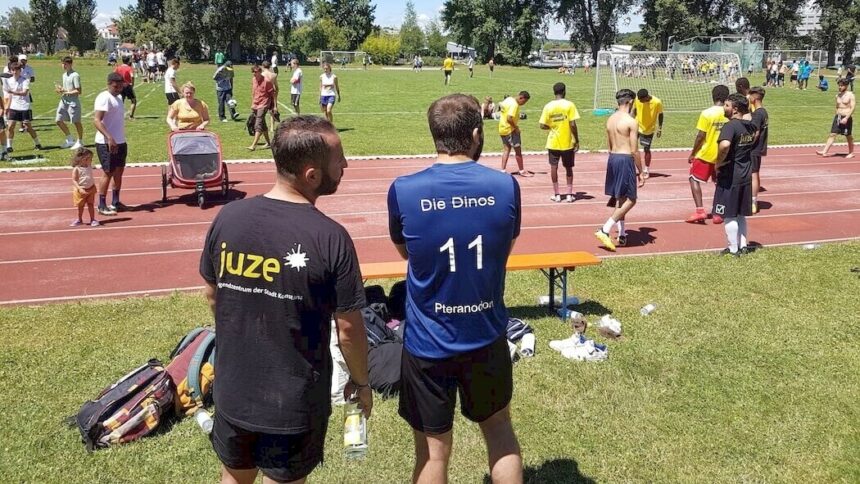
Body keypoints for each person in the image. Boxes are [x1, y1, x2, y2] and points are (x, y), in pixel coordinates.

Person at [200, 115, 371, 484]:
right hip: (292, 404)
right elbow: (348, 330)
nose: (345, 166)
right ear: (312, 175)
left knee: (233, 476)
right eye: (339, 159)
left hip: (233, 391)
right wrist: (362, 382)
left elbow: (213, 296)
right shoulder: (331, 237)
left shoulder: (228, 218)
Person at [387, 93, 523, 484]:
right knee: (499, 432)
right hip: (486, 333)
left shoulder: (404, 189)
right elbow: (503, 251)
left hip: (428, 341)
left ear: (434, 136)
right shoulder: (505, 186)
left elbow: (407, 254)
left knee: (432, 453)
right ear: (477, 134)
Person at [594, 89, 645, 251]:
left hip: (613, 158)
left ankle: (622, 233)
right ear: (630, 102)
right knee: (631, 199)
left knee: (621, 199)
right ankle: (605, 229)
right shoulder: (631, 121)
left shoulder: (610, 119)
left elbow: (609, 145)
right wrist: (641, 171)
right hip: (624, 159)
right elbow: (634, 150)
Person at [714, 93, 757, 256]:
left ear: (735, 109)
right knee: (740, 213)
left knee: (729, 213)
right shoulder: (751, 126)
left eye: (726, 105)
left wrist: (718, 163)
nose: (724, 108)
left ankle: (733, 248)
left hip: (731, 174)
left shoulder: (730, 126)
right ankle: (743, 245)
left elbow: (724, 145)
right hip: (745, 173)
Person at [686, 85, 729, 224]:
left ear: (713, 96)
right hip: (723, 155)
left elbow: (700, 136)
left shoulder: (707, 113)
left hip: (706, 154)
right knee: (720, 183)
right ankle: (719, 212)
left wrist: (693, 153)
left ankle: (700, 211)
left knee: (693, 179)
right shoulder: (729, 113)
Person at [93, 72, 128, 215]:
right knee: (108, 172)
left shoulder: (119, 98)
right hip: (106, 142)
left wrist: (117, 139)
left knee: (119, 171)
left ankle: (115, 201)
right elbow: (96, 120)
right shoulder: (104, 98)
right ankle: (101, 205)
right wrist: (109, 137)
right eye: (116, 86)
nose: (119, 88)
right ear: (109, 84)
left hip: (120, 141)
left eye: (121, 85)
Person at [539, 82, 580, 203]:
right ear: (564, 91)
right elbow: (572, 124)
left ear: (554, 92)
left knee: (553, 167)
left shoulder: (548, 106)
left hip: (553, 142)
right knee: (568, 168)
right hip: (567, 142)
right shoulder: (569, 105)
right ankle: (568, 194)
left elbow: (542, 125)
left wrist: (551, 128)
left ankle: (557, 194)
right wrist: (576, 139)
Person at [3, 62, 42, 152]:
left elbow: (24, 93)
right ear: (11, 71)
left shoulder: (25, 80)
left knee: (28, 127)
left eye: (17, 70)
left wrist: (12, 92)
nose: (15, 72)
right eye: (13, 70)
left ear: (20, 71)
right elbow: (9, 96)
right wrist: (7, 107)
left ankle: (37, 143)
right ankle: (9, 146)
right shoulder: (9, 81)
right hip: (14, 107)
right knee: (10, 126)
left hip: (24, 106)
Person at [816, 78, 855, 158]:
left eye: (841, 86)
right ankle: (825, 151)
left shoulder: (850, 95)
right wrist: (837, 115)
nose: (840, 87)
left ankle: (851, 152)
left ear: (846, 86)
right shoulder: (837, 95)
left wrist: (846, 118)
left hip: (846, 118)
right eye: (839, 85)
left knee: (848, 136)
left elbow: (853, 107)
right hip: (838, 117)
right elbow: (837, 106)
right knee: (832, 134)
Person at [498, 91, 533, 176]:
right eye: (524, 102)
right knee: (518, 150)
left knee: (506, 150)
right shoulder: (514, 105)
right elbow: (509, 118)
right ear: (521, 98)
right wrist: (516, 128)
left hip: (502, 129)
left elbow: (500, 106)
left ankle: (502, 170)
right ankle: (522, 171)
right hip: (510, 130)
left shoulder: (508, 99)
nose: (523, 104)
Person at [631, 88, 663, 178]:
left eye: (642, 100)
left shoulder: (657, 102)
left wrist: (659, 128)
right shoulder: (637, 100)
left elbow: (660, 114)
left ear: (646, 97)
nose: (640, 101)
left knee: (646, 149)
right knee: (631, 148)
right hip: (636, 126)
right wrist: (631, 120)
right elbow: (635, 110)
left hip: (648, 129)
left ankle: (646, 170)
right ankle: (631, 168)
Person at [55, 56, 84, 150]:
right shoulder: (64, 75)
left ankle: (80, 141)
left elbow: (78, 91)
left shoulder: (75, 75)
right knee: (58, 120)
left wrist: (66, 92)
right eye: (62, 63)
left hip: (73, 102)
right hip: (64, 101)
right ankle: (70, 139)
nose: (63, 65)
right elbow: (66, 89)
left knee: (76, 122)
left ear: (70, 64)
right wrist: (61, 89)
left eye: (65, 64)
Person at [749, 86, 768, 214]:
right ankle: (752, 199)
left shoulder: (757, 114)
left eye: (750, 95)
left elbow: (755, 133)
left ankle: (753, 201)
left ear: (755, 97)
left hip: (753, 149)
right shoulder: (764, 112)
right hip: (759, 148)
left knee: (753, 174)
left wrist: (747, 144)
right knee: (755, 173)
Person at [70, 147, 99, 227]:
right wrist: (79, 188)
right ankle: (79, 219)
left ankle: (93, 219)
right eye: (89, 158)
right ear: (82, 158)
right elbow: (74, 180)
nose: (91, 160)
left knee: (91, 204)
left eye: (91, 158)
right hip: (81, 190)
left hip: (91, 188)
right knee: (80, 206)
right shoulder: (77, 169)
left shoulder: (89, 166)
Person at [248, 65, 274, 151]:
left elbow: (272, 94)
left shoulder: (267, 81)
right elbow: (254, 92)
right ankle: (269, 143)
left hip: (264, 104)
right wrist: (253, 104)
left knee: (258, 124)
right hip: (256, 104)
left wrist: (273, 106)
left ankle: (253, 145)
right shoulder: (253, 80)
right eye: (253, 72)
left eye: (255, 72)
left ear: (260, 72)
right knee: (263, 124)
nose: (254, 74)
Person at [115, 55, 138, 119]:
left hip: (120, 86)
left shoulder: (118, 68)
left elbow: (114, 75)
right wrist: (132, 84)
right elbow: (132, 76)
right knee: (133, 101)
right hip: (127, 86)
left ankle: (118, 115)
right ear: (128, 61)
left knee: (120, 101)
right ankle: (131, 116)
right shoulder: (129, 68)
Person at [262, 61, 281, 132]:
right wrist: (276, 94)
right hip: (272, 92)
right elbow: (276, 87)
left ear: (263, 66)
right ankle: (272, 128)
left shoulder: (262, 74)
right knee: (272, 110)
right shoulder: (274, 75)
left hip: (264, 94)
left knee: (262, 110)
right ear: (269, 67)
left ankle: (262, 126)